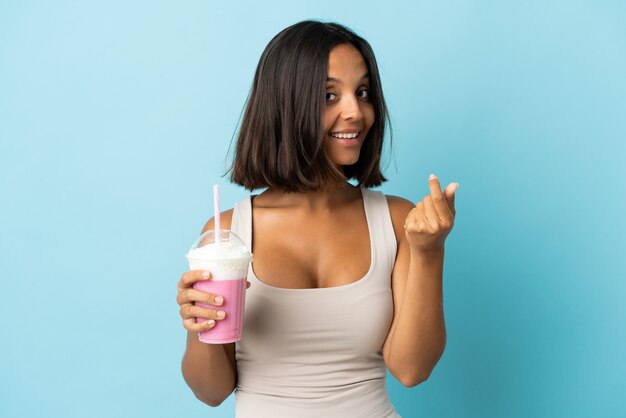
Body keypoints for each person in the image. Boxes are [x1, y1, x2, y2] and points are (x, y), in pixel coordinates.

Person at [176, 20, 458, 418]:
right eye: (329, 95)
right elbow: (211, 392)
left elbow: (412, 369)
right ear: (286, 106)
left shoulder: (396, 220)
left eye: (362, 93)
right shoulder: (227, 235)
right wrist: (199, 328)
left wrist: (429, 251)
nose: (355, 112)